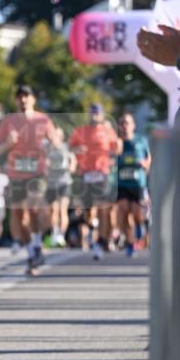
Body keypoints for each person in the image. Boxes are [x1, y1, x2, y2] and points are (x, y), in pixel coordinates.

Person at [0, 85, 57, 275]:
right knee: (19, 215)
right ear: (16, 100)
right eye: (19, 97)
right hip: (16, 173)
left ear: (33, 100)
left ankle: (38, 242)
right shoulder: (8, 121)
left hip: (37, 172)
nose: (23, 100)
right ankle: (31, 250)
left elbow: (55, 143)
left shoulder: (43, 120)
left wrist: (49, 148)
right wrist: (8, 144)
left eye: (26, 96)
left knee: (34, 207)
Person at [69, 103, 121, 260]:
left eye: (97, 113)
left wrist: (116, 148)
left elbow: (117, 150)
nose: (94, 115)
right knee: (88, 211)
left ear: (102, 115)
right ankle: (93, 227)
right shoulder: (80, 131)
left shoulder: (108, 131)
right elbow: (70, 147)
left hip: (102, 173)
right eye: (92, 113)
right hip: (85, 173)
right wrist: (77, 150)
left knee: (102, 208)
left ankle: (101, 241)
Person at [116, 112, 151, 257]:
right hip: (121, 183)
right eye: (122, 123)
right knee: (123, 211)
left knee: (137, 214)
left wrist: (145, 165)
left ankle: (140, 227)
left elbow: (148, 158)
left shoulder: (141, 140)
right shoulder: (117, 142)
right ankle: (130, 244)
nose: (125, 126)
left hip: (137, 183)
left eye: (127, 122)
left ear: (133, 125)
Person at [45, 127, 75, 247]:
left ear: (61, 137)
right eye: (53, 135)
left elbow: (73, 161)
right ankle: (55, 232)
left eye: (56, 135)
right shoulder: (48, 149)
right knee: (53, 210)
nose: (53, 138)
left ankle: (61, 235)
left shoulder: (66, 148)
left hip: (64, 182)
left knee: (62, 210)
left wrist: (71, 167)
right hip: (51, 183)